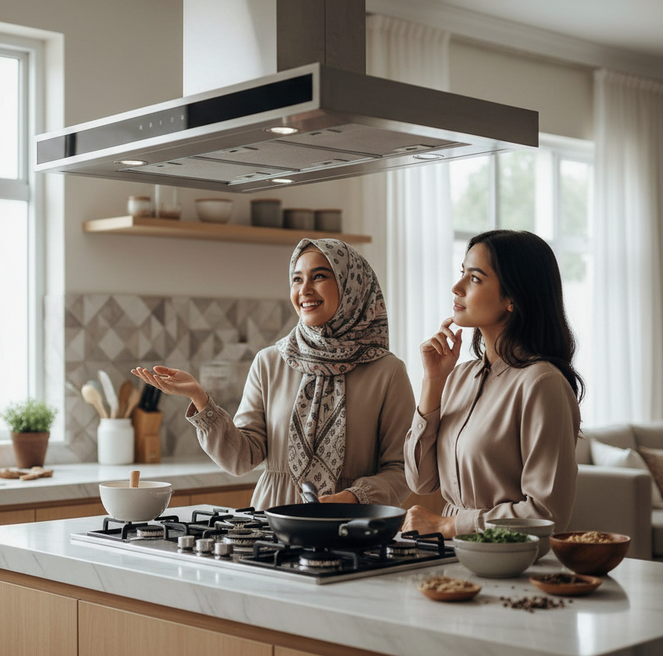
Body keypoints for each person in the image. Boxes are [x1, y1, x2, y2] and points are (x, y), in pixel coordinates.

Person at [132, 237, 415, 511]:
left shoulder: (387, 372)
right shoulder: (269, 362)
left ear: (351, 285)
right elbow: (241, 458)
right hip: (272, 526)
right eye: (297, 278)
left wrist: (354, 498)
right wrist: (200, 397)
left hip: (353, 528)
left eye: (319, 277)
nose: (304, 290)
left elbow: (403, 470)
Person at [401, 229, 584, 538]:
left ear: (512, 297)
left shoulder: (542, 384)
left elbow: (546, 514)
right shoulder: (458, 377)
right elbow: (420, 481)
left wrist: (448, 525)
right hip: (448, 557)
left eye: (475, 278)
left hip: (511, 564)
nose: (456, 287)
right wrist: (433, 382)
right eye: (462, 273)